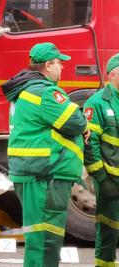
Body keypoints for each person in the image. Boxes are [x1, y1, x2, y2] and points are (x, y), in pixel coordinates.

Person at [2, 42, 88, 267]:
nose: (63, 68)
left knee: (46, 238)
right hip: (43, 175)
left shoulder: (28, 91)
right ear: (48, 65)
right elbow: (76, 122)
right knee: (42, 241)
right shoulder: (46, 92)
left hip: (39, 172)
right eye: (59, 63)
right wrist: (84, 127)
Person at [83, 53, 119, 267]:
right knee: (109, 230)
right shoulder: (97, 103)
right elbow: (90, 142)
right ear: (113, 73)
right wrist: (100, 176)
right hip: (111, 181)